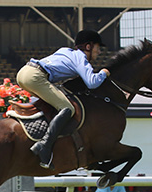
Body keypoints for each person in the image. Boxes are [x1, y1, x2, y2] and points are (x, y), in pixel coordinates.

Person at [16, 29, 110, 169]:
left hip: (23, 72)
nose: (99, 52)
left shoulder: (65, 50)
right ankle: (44, 146)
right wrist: (103, 72)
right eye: (98, 47)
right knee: (67, 108)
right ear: (88, 46)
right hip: (36, 76)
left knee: (54, 105)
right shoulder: (81, 58)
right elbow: (92, 82)